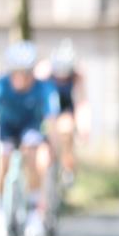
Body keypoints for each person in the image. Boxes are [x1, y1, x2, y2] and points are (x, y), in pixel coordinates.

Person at [0, 41, 59, 236]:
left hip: (30, 127)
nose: (22, 78)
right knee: (2, 162)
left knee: (32, 154)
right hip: (5, 128)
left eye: (26, 73)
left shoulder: (44, 88)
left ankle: (34, 211)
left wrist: (53, 147)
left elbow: (51, 122)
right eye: (18, 73)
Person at [41, 39, 89, 185]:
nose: (62, 78)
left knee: (66, 130)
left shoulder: (77, 76)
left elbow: (81, 103)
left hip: (65, 108)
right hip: (46, 108)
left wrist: (84, 127)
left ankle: (68, 168)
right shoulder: (43, 72)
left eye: (65, 75)